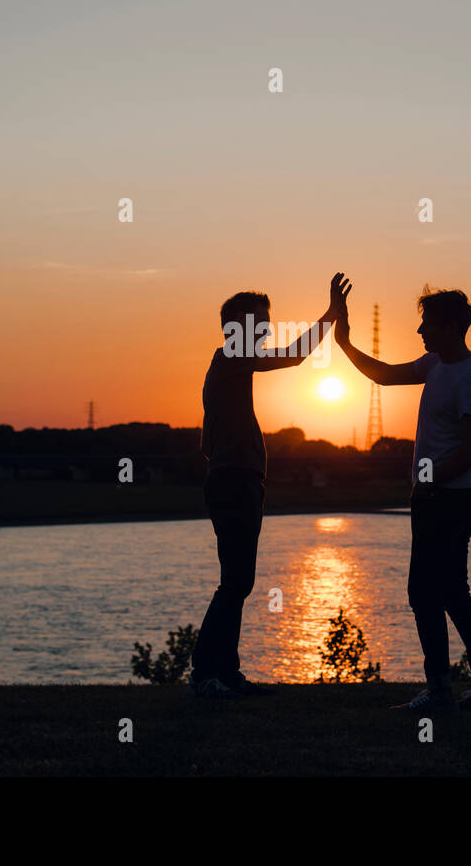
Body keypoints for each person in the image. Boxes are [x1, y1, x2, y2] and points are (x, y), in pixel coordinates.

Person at [336, 285, 471, 713]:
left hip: (450, 499)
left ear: (451, 326)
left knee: (438, 592)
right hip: (433, 497)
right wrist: (344, 343)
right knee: (441, 593)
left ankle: (452, 691)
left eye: (427, 323)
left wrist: (427, 480)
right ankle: (468, 689)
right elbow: (385, 375)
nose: (419, 330)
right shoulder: (434, 364)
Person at [190, 273, 352, 699]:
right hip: (235, 484)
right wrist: (331, 316)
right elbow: (296, 356)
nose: (265, 329)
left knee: (237, 582)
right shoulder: (231, 358)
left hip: (235, 481)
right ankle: (205, 676)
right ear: (235, 328)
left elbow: (206, 442)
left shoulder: (226, 365)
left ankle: (225, 675)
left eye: (267, 322)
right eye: (259, 322)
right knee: (235, 583)